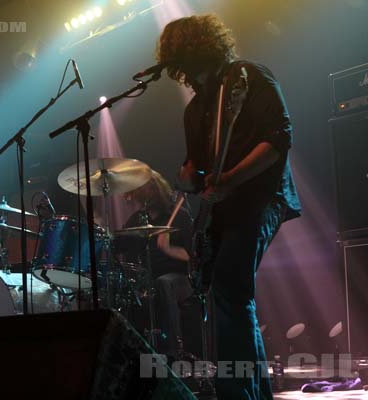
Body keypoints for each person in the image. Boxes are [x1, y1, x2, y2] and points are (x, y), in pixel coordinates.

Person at [156, 14, 301, 399]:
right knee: (232, 297)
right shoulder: (194, 110)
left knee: (229, 289)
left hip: (261, 198)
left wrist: (232, 177)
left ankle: (236, 392)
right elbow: (197, 167)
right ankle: (253, 392)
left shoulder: (248, 77)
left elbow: (279, 138)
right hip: (223, 209)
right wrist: (186, 178)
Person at [117, 170, 197, 361]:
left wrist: (168, 249)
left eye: (147, 194)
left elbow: (192, 257)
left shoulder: (179, 216)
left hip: (179, 279)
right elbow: (118, 246)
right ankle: (131, 355)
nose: (144, 200)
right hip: (146, 278)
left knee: (163, 283)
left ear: (156, 192)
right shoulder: (138, 219)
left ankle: (174, 349)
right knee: (124, 293)